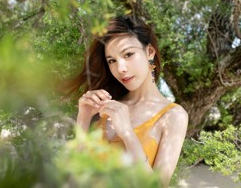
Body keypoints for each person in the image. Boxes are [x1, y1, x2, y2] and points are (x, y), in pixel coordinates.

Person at [67, 15, 188, 187]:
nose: (121, 69)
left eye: (128, 54)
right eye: (112, 61)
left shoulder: (173, 116)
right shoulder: (104, 106)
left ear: (149, 52)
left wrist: (128, 134)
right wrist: (83, 119)